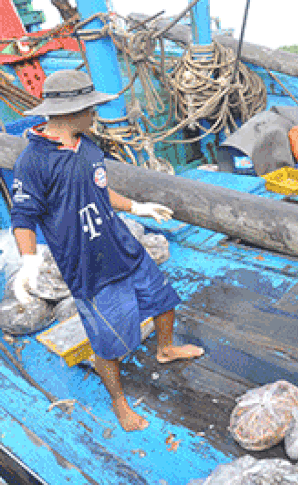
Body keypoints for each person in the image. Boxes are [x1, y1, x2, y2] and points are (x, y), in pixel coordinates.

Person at [10, 70, 205, 432]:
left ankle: (165, 349)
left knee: (163, 300)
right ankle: (119, 402)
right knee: (108, 344)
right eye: (91, 108)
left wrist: (137, 207)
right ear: (72, 111)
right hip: (89, 269)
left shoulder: (88, 146)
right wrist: (28, 261)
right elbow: (23, 217)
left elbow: (100, 190)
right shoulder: (34, 161)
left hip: (122, 247)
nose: (95, 114)